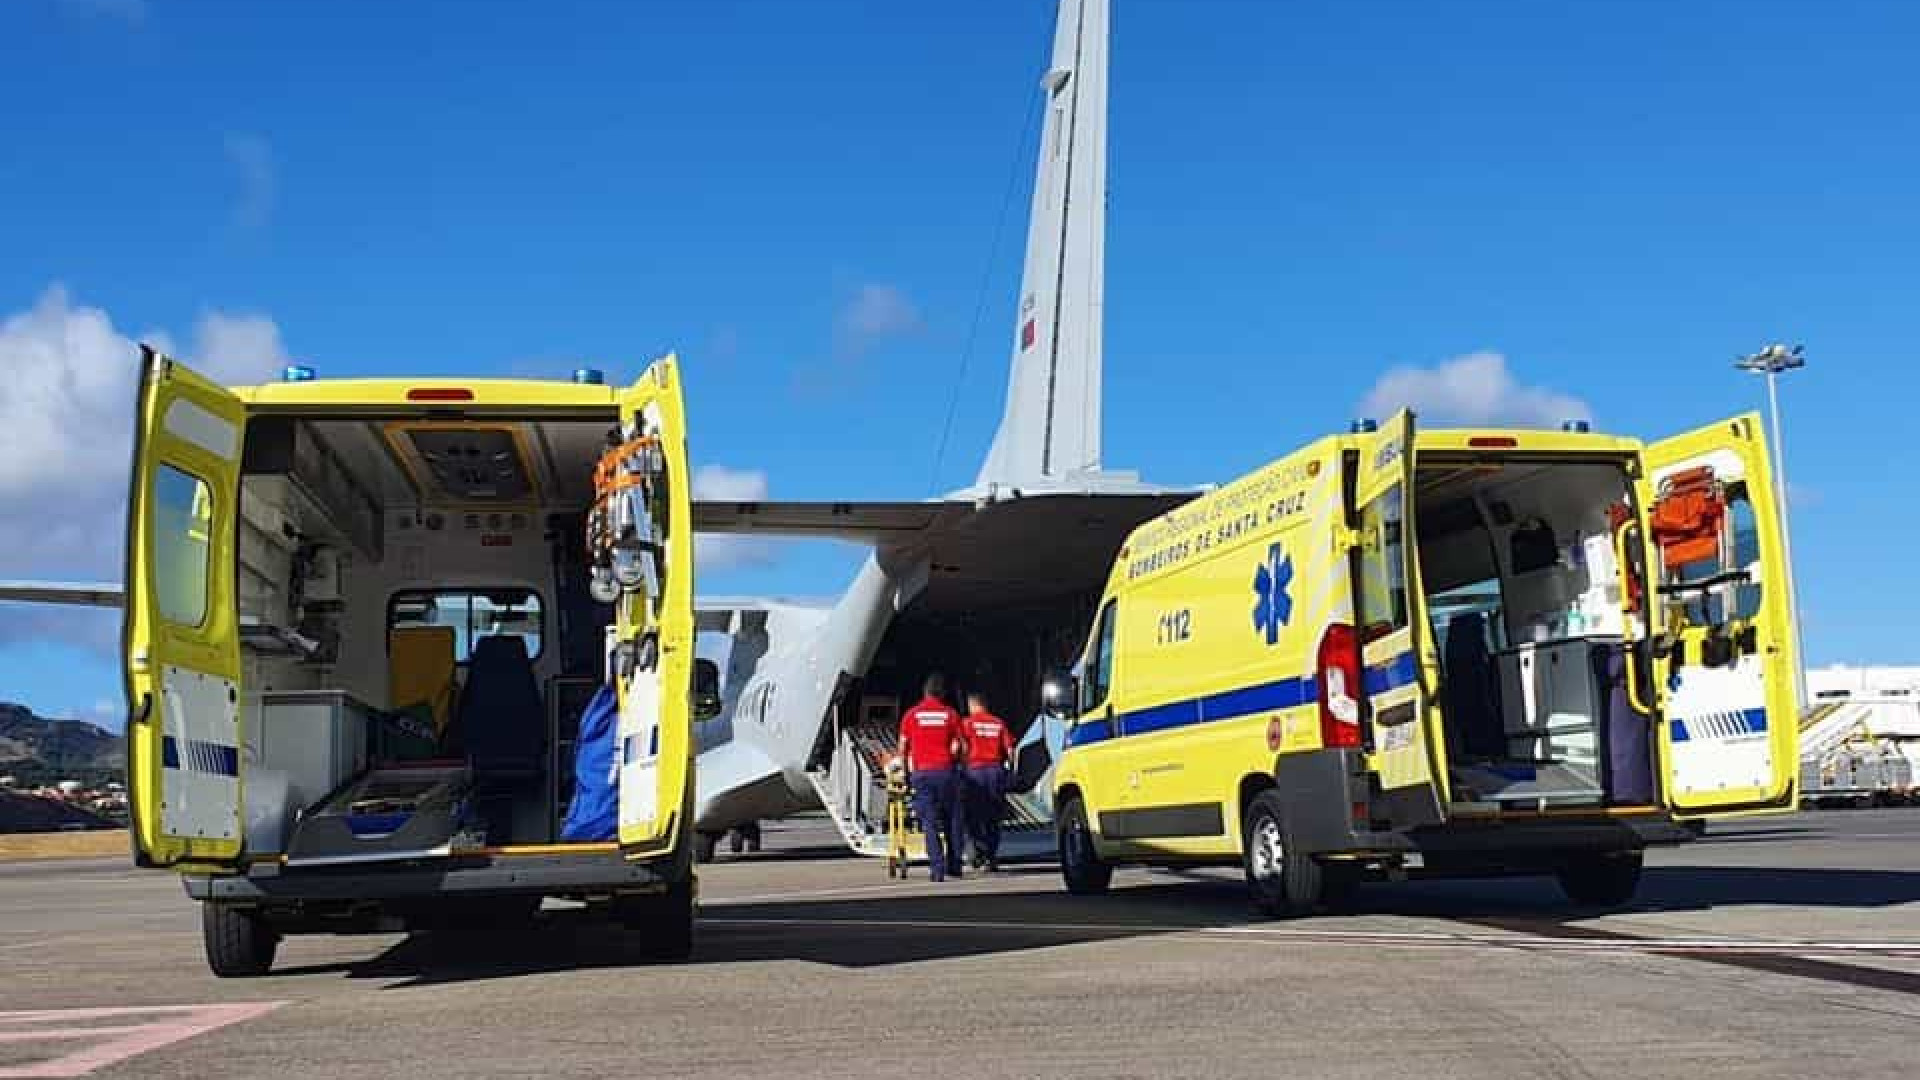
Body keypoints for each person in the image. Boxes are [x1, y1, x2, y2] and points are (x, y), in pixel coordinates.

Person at [896, 673, 965, 881]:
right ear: (943, 693)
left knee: (929, 822)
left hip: (923, 774)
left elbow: (903, 747)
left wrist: (907, 774)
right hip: (946, 773)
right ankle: (954, 865)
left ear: (924, 692)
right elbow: (958, 746)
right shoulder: (951, 715)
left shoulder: (911, 715)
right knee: (953, 819)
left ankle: (937, 869)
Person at [959, 690, 1015, 872]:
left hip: (974, 772)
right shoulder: (998, 723)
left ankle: (978, 854)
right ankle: (991, 857)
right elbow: (1010, 751)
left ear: (972, 705)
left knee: (973, 816)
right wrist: (1009, 771)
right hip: (995, 771)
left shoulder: (966, 723)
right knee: (993, 817)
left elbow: (960, 746)